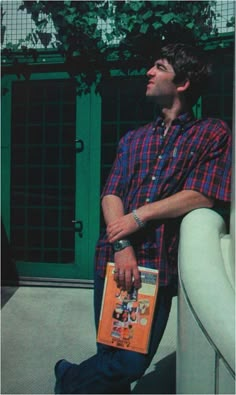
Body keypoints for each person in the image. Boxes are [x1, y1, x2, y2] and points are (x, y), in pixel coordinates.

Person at [54, 43, 232, 394]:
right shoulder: (132, 139)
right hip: (114, 260)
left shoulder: (212, 133)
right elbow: (111, 193)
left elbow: (202, 194)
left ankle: (67, 378)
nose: (148, 73)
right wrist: (121, 243)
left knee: (128, 363)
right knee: (110, 353)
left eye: (159, 67)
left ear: (182, 83)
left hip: (156, 267)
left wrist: (139, 216)